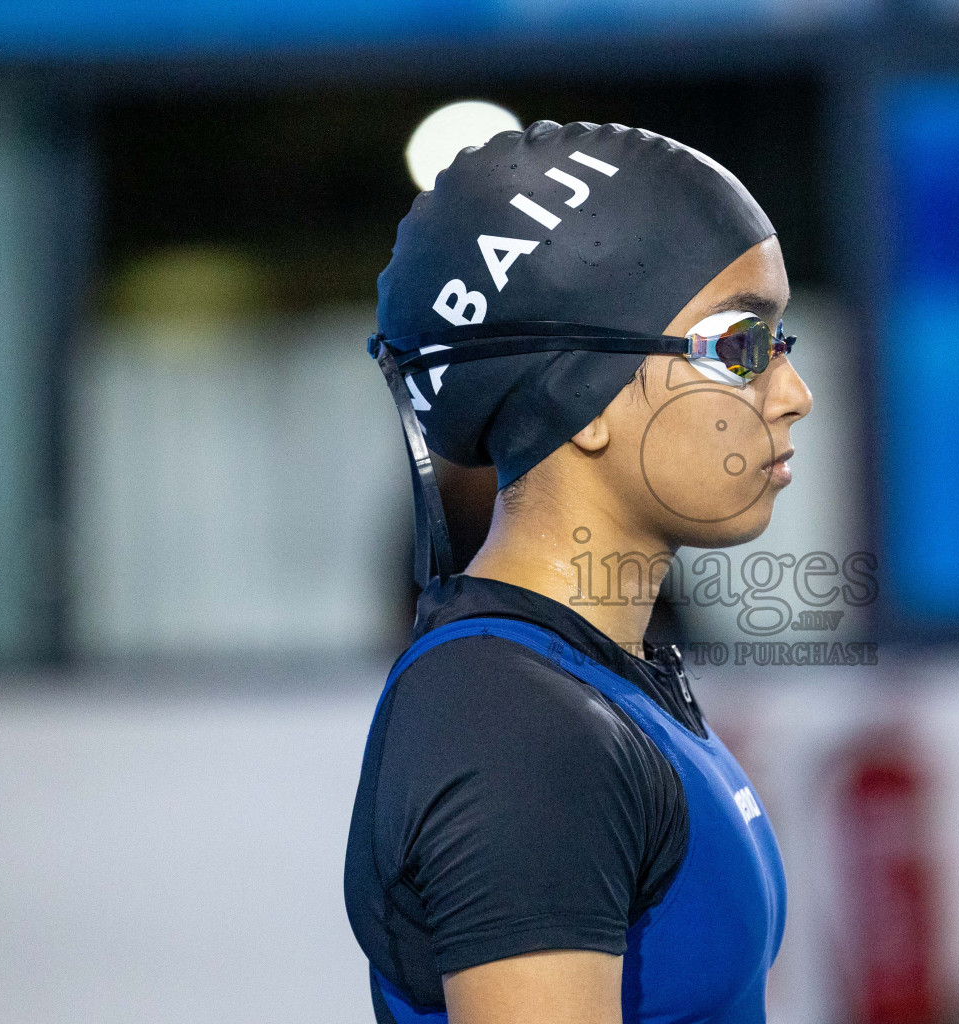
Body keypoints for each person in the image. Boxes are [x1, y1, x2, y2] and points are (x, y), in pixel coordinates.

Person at [344, 120, 812, 1024]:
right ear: (581, 395)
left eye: (781, 341)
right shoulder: (515, 724)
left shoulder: (597, 683)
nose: (792, 392)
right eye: (741, 348)